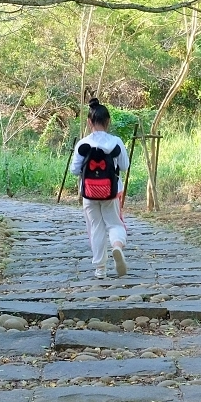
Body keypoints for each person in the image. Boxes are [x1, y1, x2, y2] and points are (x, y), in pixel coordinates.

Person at [70, 98, 130, 280]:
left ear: (89, 122)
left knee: (96, 227)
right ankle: (117, 247)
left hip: (89, 193)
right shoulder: (116, 142)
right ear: (108, 121)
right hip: (111, 192)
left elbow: (74, 170)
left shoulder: (83, 143)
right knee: (114, 224)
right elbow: (125, 165)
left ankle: (100, 269)